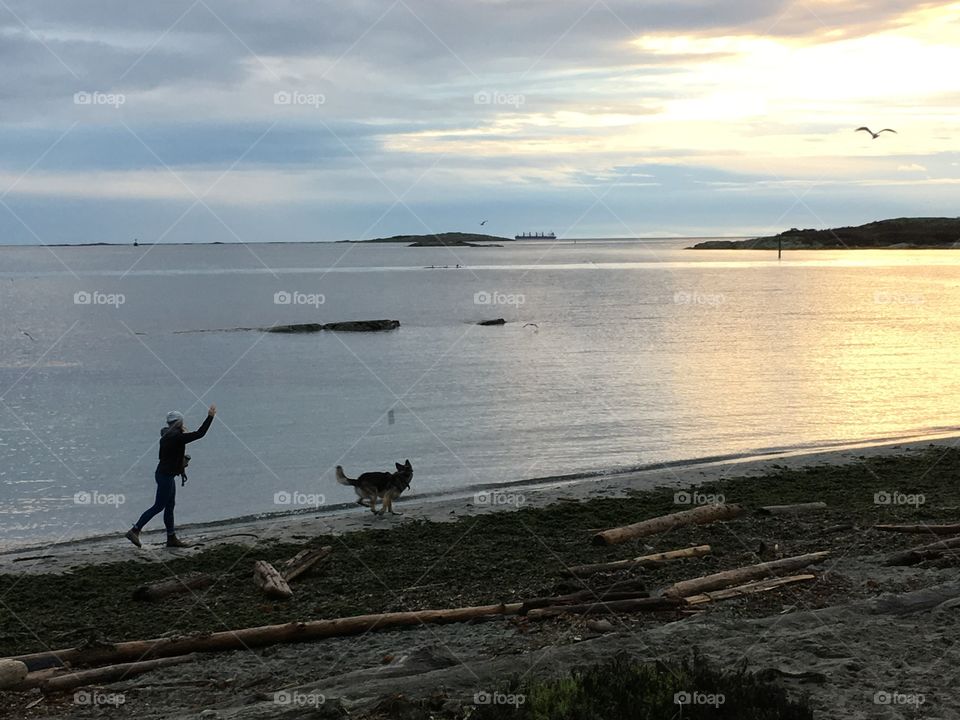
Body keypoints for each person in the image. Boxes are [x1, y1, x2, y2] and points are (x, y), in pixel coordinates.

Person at [125, 404, 216, 548]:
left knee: (170, 506)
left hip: (165, 474)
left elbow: (167, 456)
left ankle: (171, 538)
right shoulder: (176, 437)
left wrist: (180, 462)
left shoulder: (167, 435)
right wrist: (210, 417)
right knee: (159, 506)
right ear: (179, 422)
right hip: (165, 476)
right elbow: (200, 434)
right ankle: (135, 530)